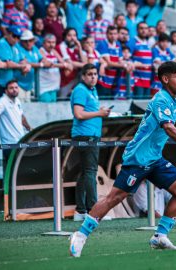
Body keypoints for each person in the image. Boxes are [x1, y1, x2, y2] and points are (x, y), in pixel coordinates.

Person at [69, 61, 176, 257]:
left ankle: (160, 236)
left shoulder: (172, 99)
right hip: (138, 158)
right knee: (115, 197)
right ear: (165, 79)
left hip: (154, 159)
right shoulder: (161, 98)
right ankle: (80, 234)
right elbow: (169, 127)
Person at [70, 64, 112, 221]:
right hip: (85, 136)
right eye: (89, 74)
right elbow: (78, 114)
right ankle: (94, 211)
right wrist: (99, 113)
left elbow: (87, 112)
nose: (93, 76)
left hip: (89, 135)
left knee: (85, 173)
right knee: (90, 172)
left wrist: (100, 112)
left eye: (95, 74)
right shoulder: (81, 89)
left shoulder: (92, 90)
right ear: (83, 76)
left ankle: (81, 211)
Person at [0, 26, 31, 99]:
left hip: (10, 83)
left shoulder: (16, 45)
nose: (16, 39)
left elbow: (23, 59)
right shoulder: (1, 43)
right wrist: (22, 66)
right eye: (14, 36)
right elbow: (9, 64)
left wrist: (26, 66)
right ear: (8, 34)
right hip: (0, 83)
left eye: (18, 37)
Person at [97, 25, 131, 98]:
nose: (113, 36)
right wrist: (124, 65)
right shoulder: (102, 44)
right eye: (110, 34)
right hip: (103, 80)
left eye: (115, 34)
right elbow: (109, 63)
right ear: (106, 34)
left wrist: (126, 64)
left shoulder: (118, 44)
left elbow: (120, 60)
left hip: (114, 81)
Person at [39, 34, 72, 102]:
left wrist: (62, 65)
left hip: (54, 87)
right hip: (44, 88)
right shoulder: (41, 51)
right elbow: (48, 64)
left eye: (53, 42)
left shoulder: (54, 51)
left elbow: (65, 64)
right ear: (44, 43)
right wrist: (63, 65)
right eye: (49, 42)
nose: (51, 45)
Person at [56, 28, 87, 99]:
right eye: (69, 35)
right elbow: (69, 62)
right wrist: (84, 65)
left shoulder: (76, 49)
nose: (72, 38)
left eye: (74, 35)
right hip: (64, 82)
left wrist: (79, 48)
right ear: (65, 37)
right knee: (61, 103)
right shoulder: (61, 46)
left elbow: (84, 62)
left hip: (76, 80)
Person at [132, 22, 153, 99]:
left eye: (145, 28)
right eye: (141, 28)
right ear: (137, 30)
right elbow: (127, 58)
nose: (144, 30)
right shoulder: (133, 42)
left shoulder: (148, 43)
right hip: (137, 80)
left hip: (148, 80)